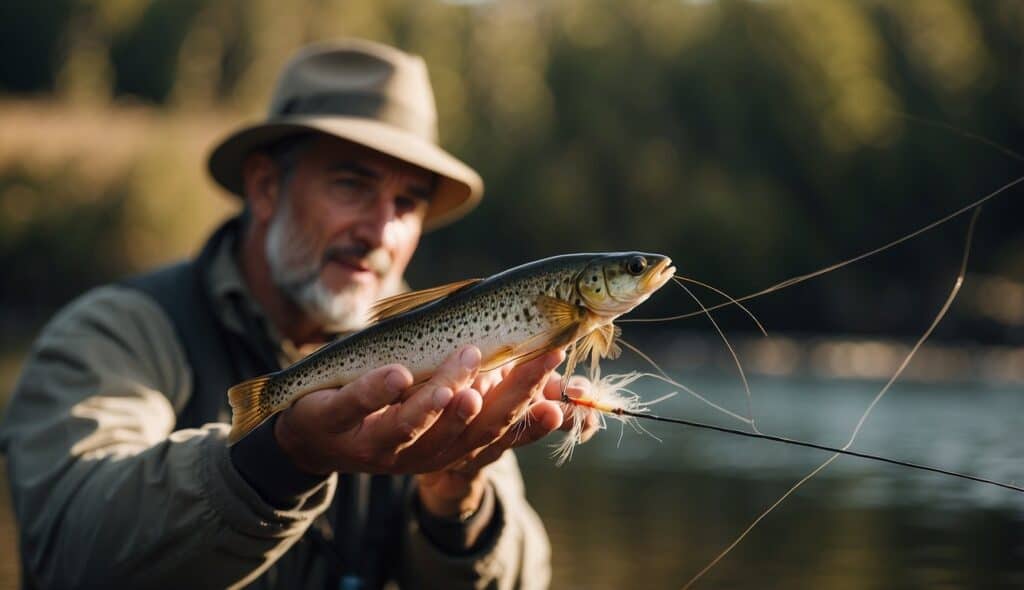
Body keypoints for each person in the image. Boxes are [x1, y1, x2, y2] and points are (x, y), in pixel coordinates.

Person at [0, 39, 596, 589]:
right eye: (351, 185)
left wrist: (456, 497)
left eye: (406, 202)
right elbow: (70, 552)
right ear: (264, 188)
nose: (380, 231)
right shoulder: (113, 335)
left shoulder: (454, 349)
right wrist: (279, 460)